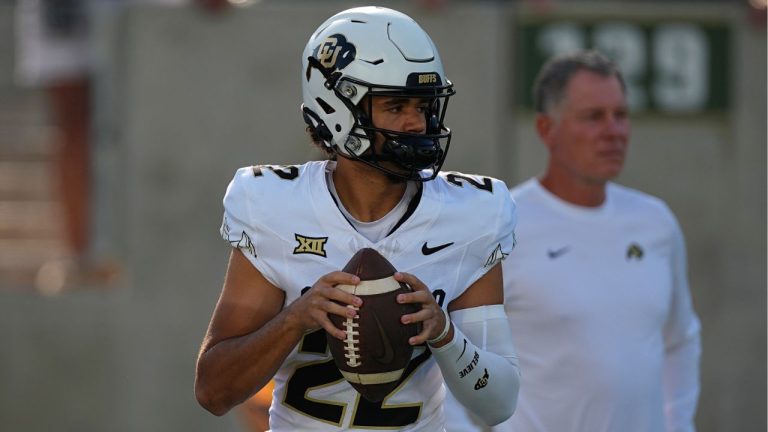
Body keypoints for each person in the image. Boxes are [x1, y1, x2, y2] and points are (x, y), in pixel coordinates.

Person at [194, 6, 520, 431]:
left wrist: (444, 334)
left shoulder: (473, 215)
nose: (416, 122)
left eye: (424, 106)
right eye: (396, 105)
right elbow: (214, 393)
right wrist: (295, 319)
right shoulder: (273, 208)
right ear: (336, 108)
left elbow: (498, 405)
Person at [445, 50, 702, 432]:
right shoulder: (501, 224)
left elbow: (680, 340)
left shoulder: (656, 222)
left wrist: (678, 423)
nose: (614, 131)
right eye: (593, 117)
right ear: (547, 129)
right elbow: (446, 359)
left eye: (621, 115)